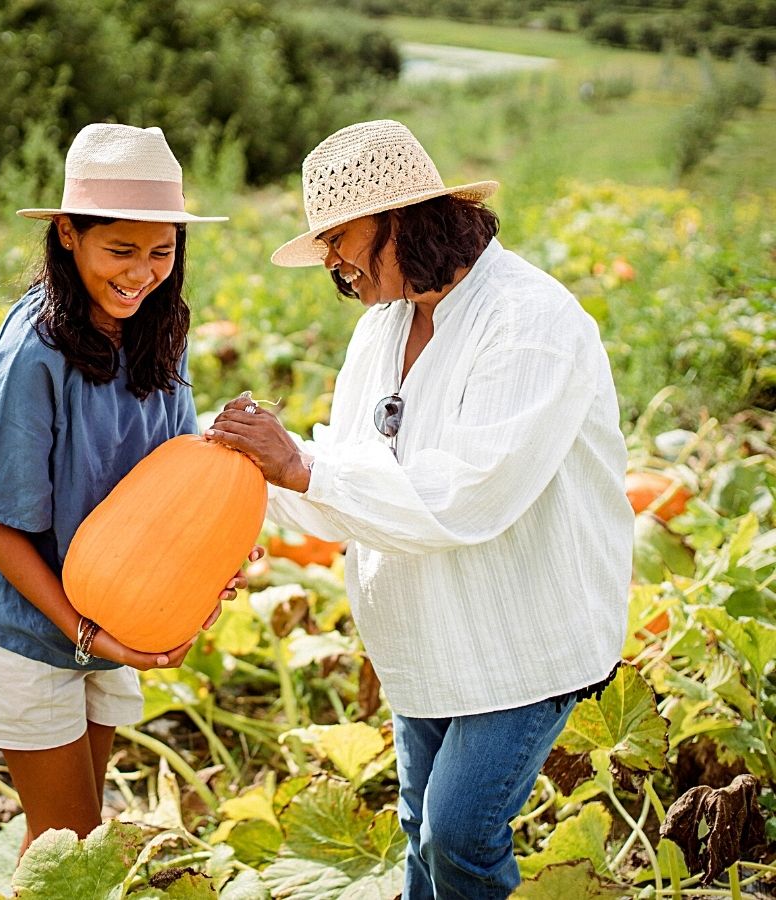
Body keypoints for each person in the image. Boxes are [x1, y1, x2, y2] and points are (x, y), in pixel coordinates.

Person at [205, 120, 632, 899]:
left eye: (339, 238)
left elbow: (470, 494)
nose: (331, 261)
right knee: (418, 826)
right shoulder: (383, 328)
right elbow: (349, 478)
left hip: (521, 635)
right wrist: (253, 486)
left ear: (403, 219)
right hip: (424, 632)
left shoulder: (532, 322)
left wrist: (300, 464)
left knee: (459, 832)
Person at [0, 123, 253, 851]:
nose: (142, 273)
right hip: (27, 624)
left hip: (110, 613)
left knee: (70, 845)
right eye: (120, 250)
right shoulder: (32, 353)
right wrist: (84, 628)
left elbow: (177, 474)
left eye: (161, 252)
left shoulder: (158, 330)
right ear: (69, 237)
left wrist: (216, 549)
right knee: (71, 839)